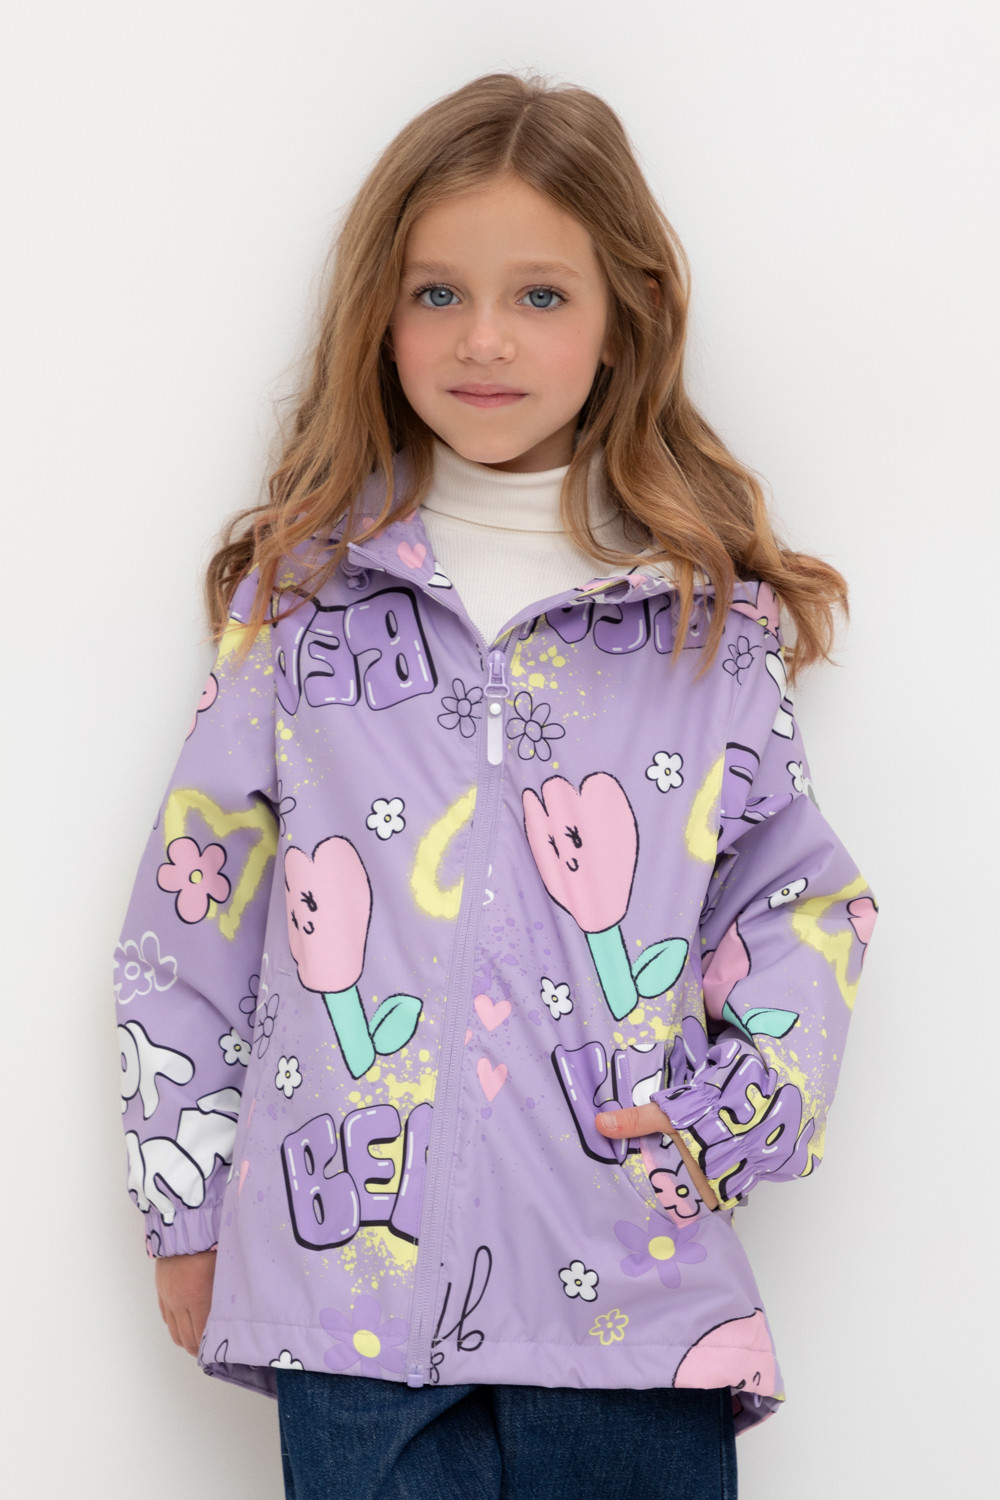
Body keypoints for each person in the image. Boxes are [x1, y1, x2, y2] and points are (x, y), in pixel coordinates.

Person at [114, 70, 877, 1500]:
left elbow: (802, 906)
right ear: (381, 316)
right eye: (437, 293)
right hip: (349, 1289)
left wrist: (734, 1113)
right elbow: (188, 925)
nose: (483, 338)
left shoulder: (700, 623)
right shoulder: (307, 603)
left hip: (631, 1287)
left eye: (539, 294)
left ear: (623, 315)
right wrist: (185, 1207)